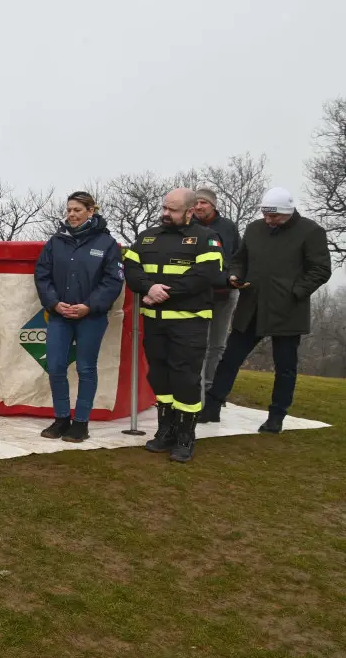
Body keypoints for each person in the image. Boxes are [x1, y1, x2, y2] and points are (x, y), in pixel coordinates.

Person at [204, 187, 332, 433]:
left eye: (275, 216)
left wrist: (295, 292)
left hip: (287, 310)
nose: (269, 220)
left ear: (288, 212)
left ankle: (276, 415)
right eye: (266, 215)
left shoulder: (311, 232)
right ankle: (212, 406)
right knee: (230, 358)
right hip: (251, 305)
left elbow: (320, 269)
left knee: (285, 366)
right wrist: (234, 275)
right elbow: (240, 259)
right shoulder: (254, 229)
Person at [123, 188, 222, 463]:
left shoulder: (206, 238)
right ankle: (165, 431)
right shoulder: (147, 236)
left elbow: (206, 275)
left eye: (173, 210)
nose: (166, 214)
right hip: (155, 324)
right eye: (165, 208)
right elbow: (130, 269)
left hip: (189, 324)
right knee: (159, 376)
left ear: (190, 211)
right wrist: (147, 287)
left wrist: (163, 292)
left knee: (186, 379)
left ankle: (185, 437)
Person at [34, 191, 125, 443]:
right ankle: (61, 419)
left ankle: (80, 423)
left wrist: (89, 306)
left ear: (90, 212)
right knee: (55, 366)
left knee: (86, 368)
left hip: (91, 318)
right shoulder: (56, 241)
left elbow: (112, 281)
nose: (72, 215)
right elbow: (42, 275)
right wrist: (53, 303)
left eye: (77, 210)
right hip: (60, 316)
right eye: (69, 210)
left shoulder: (107, 244)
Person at [192, 187, 243, 402]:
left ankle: (210, 390)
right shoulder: (188, 227)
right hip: (195, 294)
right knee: (195, 342)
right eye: (196, 202)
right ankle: (193, 389)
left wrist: (230, 278)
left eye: (203, 202)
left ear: (213, 205)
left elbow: (238, 256)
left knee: (217, 344)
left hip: (224, 293)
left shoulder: (228, 227)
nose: (199, 206)